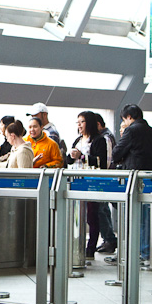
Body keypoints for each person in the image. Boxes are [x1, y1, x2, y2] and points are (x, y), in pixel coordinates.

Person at [111, 104, 152, 262]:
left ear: (129, 117)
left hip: (134, 178)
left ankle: (138, 251)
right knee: (147, 216)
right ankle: (146, 251)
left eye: (124, 119)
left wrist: (129, 157)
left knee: (134, 216)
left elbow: (116, 153)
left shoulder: (131, 130)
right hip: (151, 177)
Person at [65, 111, 108, 259]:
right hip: (76, 181)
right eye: (77, 122)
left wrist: (81, 157)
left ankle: (90, 248)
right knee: (76, 216)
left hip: (90, 182)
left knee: (92, 215)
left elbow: (101, 162)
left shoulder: (99, 140)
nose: (79, 125)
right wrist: (71, 155)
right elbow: (68, 161)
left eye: (82, 122)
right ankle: (76, 245)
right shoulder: (77, 140)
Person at [94, 113, 117, 254]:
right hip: (109, 179)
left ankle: (109, 239)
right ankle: (108, 239)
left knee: (102, 209)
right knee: (104, 209)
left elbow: (107, 161)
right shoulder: (108, 136)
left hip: (107, 179)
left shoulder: (105, 138)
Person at [27, 102, 67, 167]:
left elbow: (54, 157)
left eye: (36, 115)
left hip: (45, 172)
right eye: (32, 116)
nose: (33, 118)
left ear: (45, 115)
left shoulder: (51, 133)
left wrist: (46, 166)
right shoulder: (30, 136)